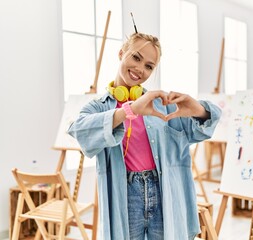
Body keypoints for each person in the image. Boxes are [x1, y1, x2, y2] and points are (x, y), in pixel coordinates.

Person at [68, 32, 221, 240]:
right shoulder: (98, 107)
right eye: (136, 57)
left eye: (149, 66)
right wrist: (128, 111)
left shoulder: (161, 104)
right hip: (127, 195)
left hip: (164, 191)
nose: (140, 69)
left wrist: (200, 110)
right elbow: (80, 131)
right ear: (121, 53)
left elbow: (201, 127)